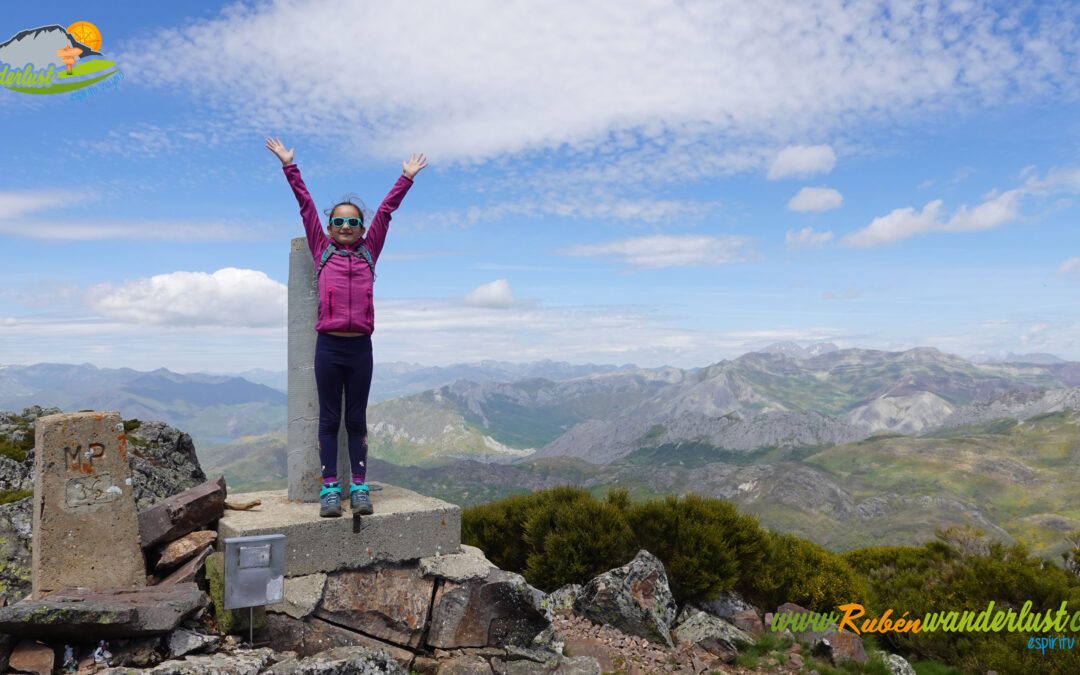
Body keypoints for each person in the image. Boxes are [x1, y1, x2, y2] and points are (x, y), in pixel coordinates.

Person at [266, 137, 427, 517]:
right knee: (329, 420)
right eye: (338, 221)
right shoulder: (322, 250)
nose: (345, 227)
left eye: (353, 222)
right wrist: (290, 166)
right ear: (328, 226)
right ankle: (329, 491)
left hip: (360, 349)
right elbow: (305, 204)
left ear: (361, 227)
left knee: (356, 420)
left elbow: (386, 211)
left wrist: (406, 178)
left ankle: (359, 487)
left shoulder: (369, 250)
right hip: (329, 347)